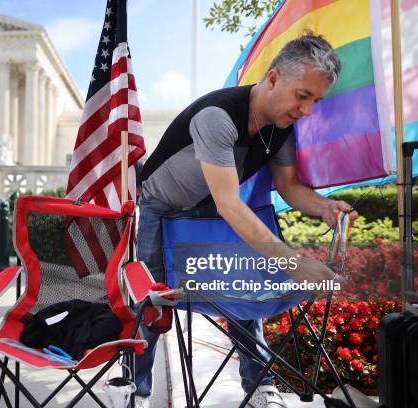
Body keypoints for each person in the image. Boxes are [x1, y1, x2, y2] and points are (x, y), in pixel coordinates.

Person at [134, 33, 358, 408]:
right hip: (163, 207)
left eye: (315, 102)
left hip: (212, 205)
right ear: (272, 78)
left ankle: (259, 389)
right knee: (152, 303)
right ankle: (135, 390)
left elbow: (289, 186)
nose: (306, 111)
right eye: (302, 96)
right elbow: (229, 204)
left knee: (246, 288)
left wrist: (323, 207)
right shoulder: (217, 117)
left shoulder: (281, 126)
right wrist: (294, 262)